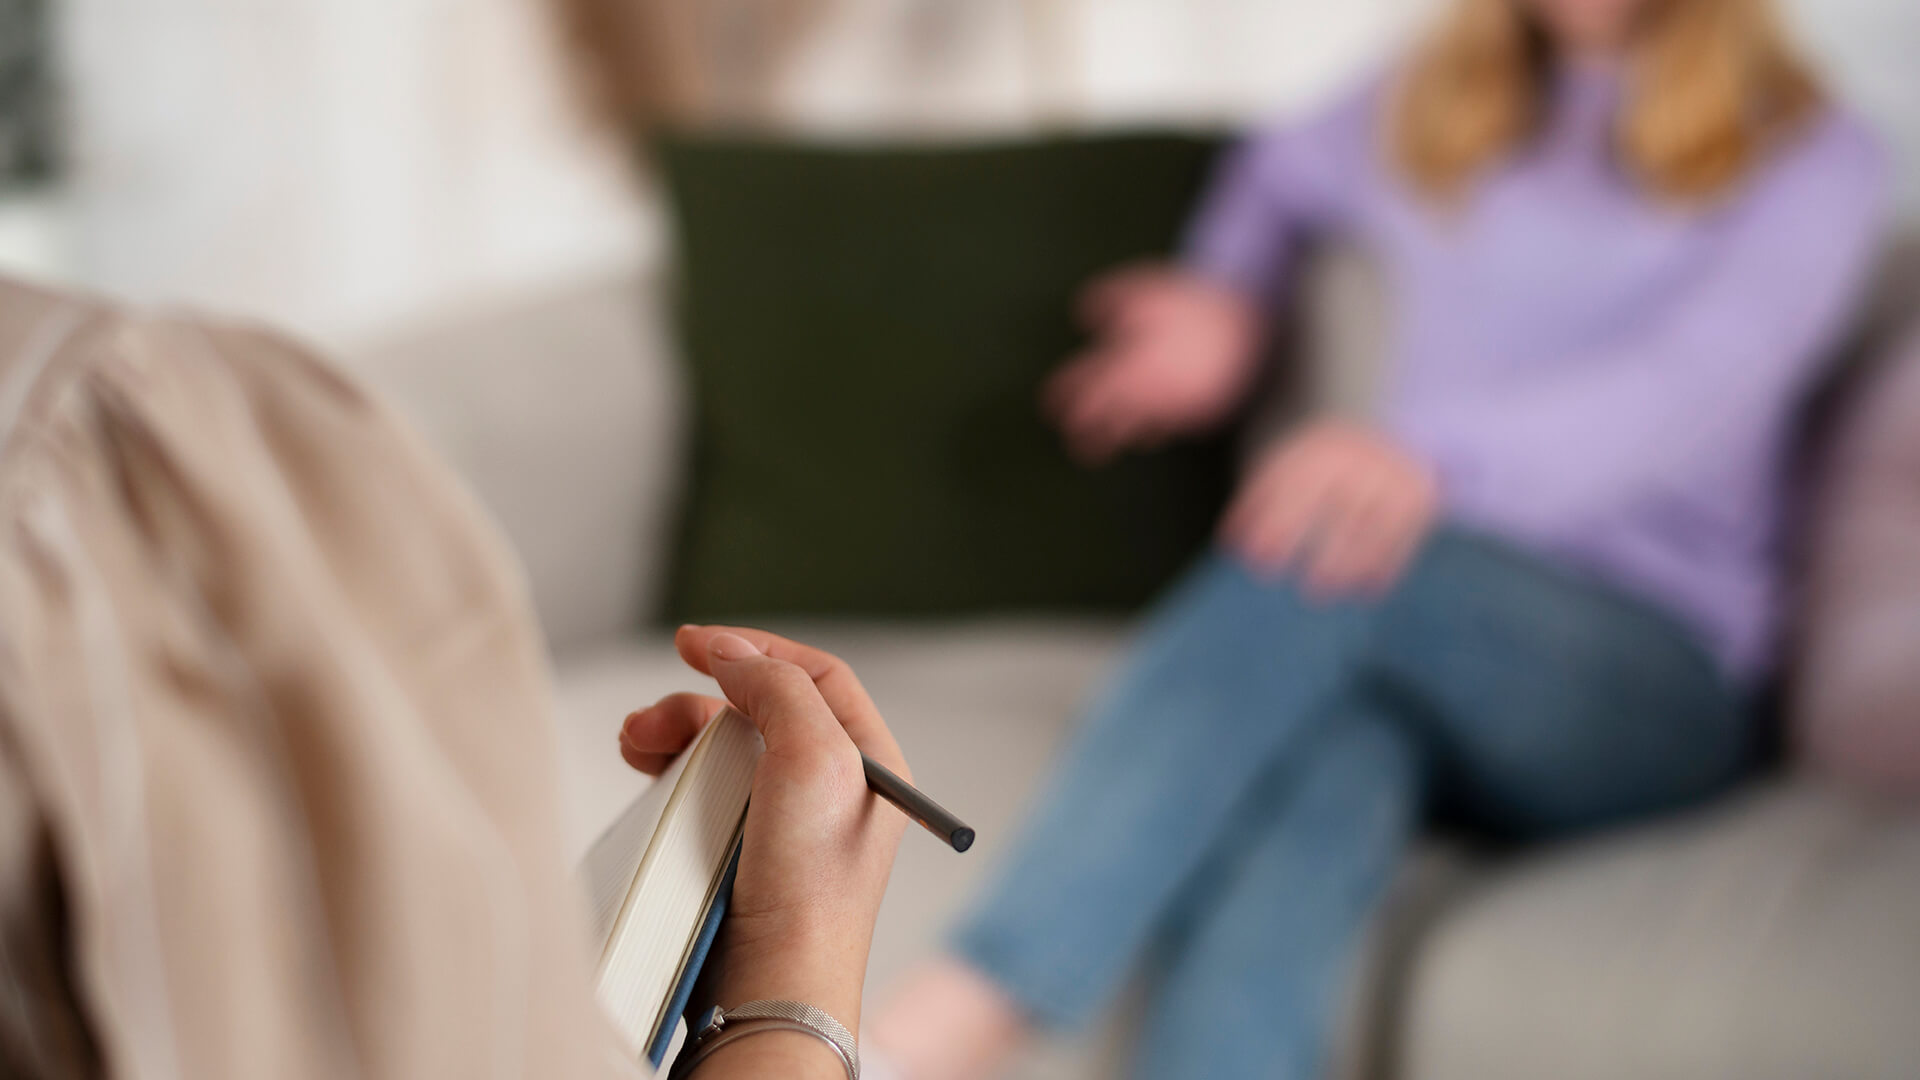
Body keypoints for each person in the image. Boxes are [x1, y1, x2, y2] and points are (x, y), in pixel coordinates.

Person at [859, 0, 1892, 1077]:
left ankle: (952, 1019)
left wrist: (1425, 459)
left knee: (1323, 549)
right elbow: (1271, 173)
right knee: (1334, 761)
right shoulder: (1429, 98)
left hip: (1652, 679)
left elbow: (1690, 388)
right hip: (1417, 666)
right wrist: (1227, 293)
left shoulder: (1815, 152)